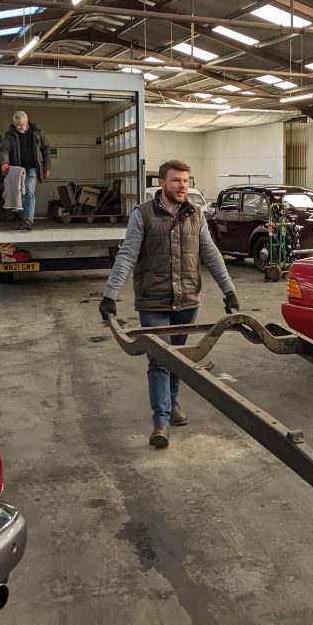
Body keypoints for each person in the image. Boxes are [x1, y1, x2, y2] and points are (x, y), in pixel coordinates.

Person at [99, 160, 239, 449]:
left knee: (179, 357)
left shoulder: (195, 215)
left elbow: (211, 254)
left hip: (187, 300)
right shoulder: (143, 215)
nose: (182, 186)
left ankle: (173, 403)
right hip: (154, 301)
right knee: (159, 359)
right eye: (176, 181)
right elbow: (127, 255)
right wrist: (110, 294)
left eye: (186, 181)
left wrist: (229, 291)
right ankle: (160, 420)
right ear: (162, 183)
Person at [0, 110, 50, 231]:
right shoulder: (9, 134)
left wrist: (46, 167)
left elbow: (46, 149)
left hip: (32, 167)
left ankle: (28, 220)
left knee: (29, 191)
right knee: (19, 194)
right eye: (16, 124)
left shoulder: (37, 131)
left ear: (27, 121)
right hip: (16, 169)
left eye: (21, 124)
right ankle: (24, 218)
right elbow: (4, 149)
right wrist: (4, 163)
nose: (19, 126)